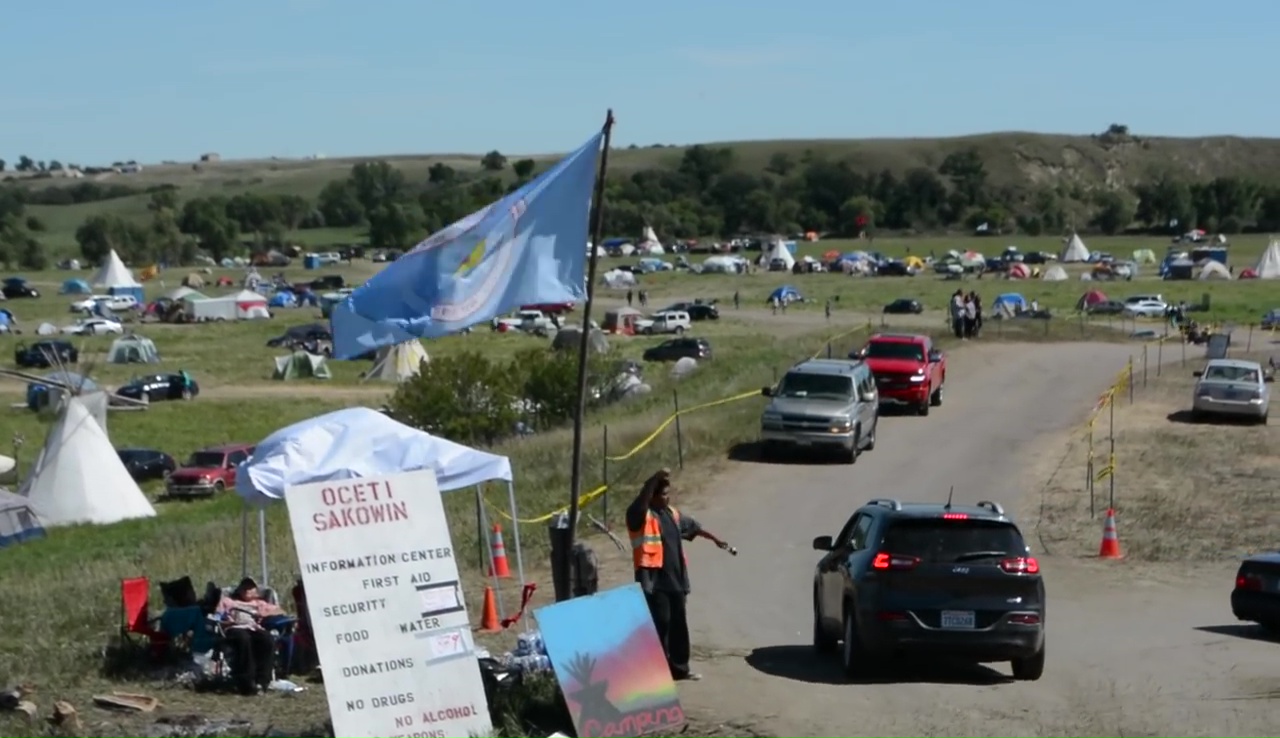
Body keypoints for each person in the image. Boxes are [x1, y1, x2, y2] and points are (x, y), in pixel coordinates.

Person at [626, 469, 731, 682]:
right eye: (663, 494)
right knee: (660, 624)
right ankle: (657, 670)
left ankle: (680, 669)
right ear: (652, 496)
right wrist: (653, 478)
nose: (668, 497)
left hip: (676, 580)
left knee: (678, 626)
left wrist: (715, 539)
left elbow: (693, 527)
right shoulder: (639, 516)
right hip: (654, 581)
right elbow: (641, 500)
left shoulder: (671, 514)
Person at [216, 577, 284, 695]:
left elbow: (281, 611)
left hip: (253, 627)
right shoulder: (228, 601)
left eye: (250, 589)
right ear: (240, 590)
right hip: (234, 628)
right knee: (244, 639)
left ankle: (262, 681)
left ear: (255, 592)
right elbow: (216, 616)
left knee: (268, 640)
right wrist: (225, 621)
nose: (247, 591)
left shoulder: (259, 603)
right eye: (244, 588)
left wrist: (263, 613)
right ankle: (246, 681)